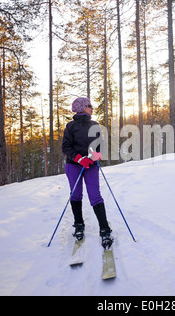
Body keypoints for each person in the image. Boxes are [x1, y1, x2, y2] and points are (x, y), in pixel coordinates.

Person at [62, 97, 113, 249]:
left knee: (95, 195)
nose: (92, 108)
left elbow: (100, 145)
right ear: (82, 107)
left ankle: (104, 229)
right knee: (76, 194)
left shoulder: (94, 124)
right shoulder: (70, 126)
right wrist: (79, 159)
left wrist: (97, 154)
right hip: (74, 165)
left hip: (91, 165)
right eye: (89, 105)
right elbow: (66, 147)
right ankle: (79, 225)